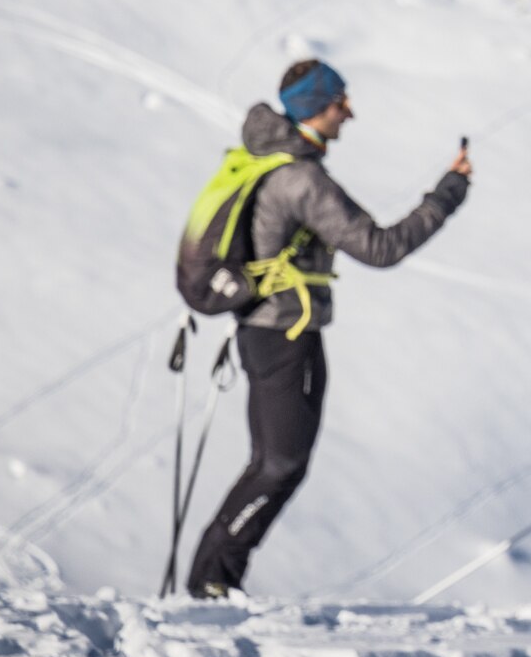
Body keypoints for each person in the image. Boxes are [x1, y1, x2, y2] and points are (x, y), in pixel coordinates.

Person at [187, 59, 471, 598]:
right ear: (317, 106)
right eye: (342, 102)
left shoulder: (271, 162)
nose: (349, 112)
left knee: (276, 462)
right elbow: (380, 248)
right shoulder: (300, 179)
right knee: (280, 463)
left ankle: (214, 579)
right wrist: (448, 194)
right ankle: (211, 582)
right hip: (283, 333)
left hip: (271, 330)